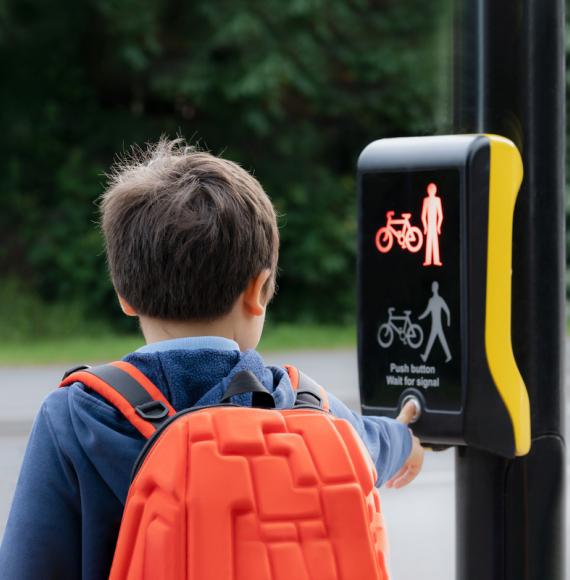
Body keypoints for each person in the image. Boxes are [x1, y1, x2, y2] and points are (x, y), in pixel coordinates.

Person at [0, 139, 424, 579]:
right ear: (259, 291)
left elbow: (29, 563)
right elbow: (376, 443)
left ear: (124, 296)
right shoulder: (309, 407)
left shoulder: (75, 417)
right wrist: (407, 440)